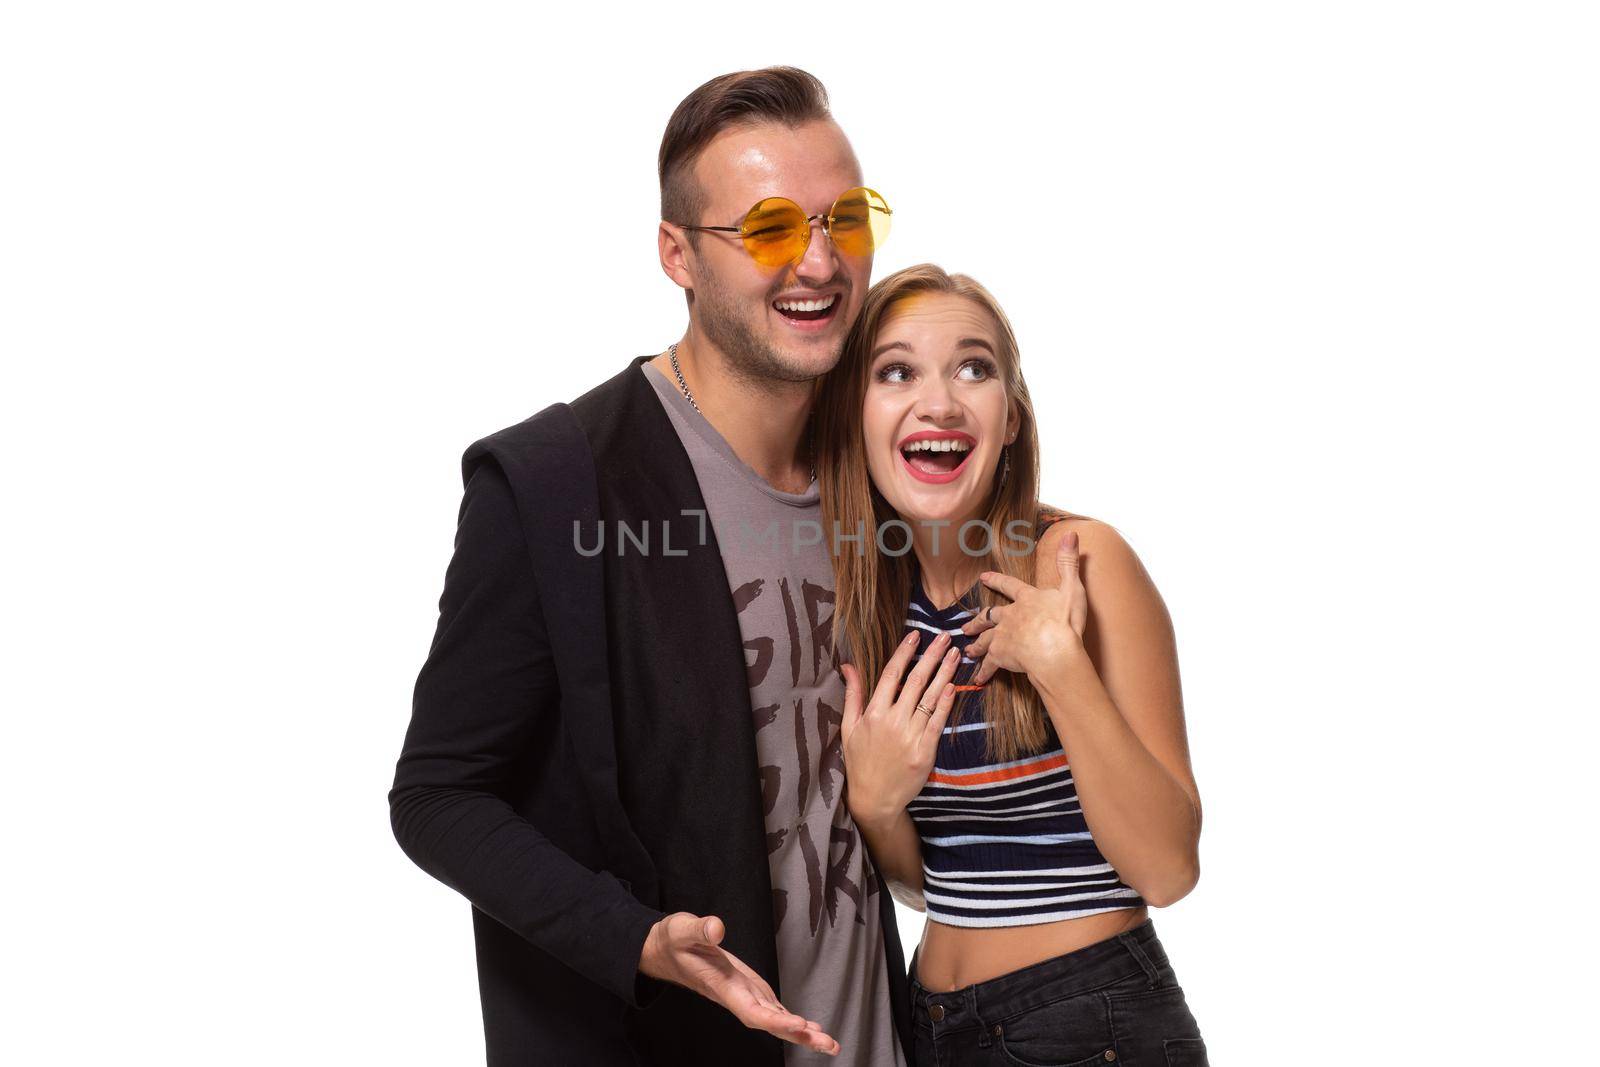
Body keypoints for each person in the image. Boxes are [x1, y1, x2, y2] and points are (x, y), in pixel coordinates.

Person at [388, 68, 911, 1065]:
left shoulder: (881, 468)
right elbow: (438, 795)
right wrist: (629, 932)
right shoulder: (552, 482)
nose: (819, 258)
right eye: (766, 229)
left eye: (843, 217)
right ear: (677, 253)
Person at [815, 264, 1212, 1065]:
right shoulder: (873, 603)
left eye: (974, 367)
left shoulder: (1080, 559)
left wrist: (1061, 670)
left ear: (1012, 421)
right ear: (854, 418)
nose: (940, 401)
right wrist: (879, 805)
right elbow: (927, 886)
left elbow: (1169, 868)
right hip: (927, 1026)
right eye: (897, 371)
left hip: (1086, 1020)